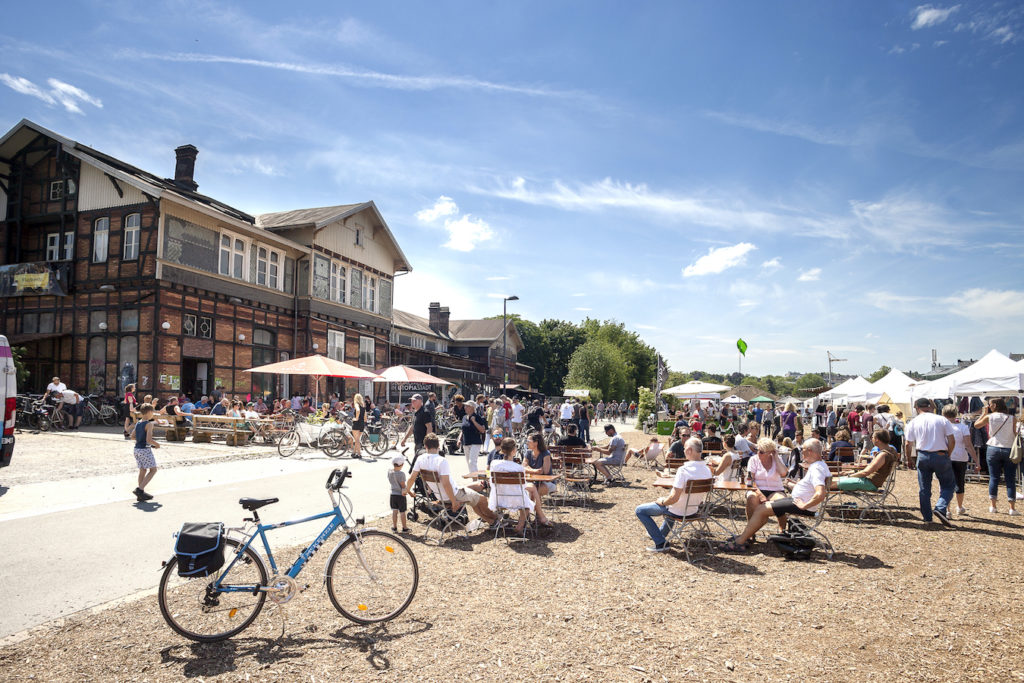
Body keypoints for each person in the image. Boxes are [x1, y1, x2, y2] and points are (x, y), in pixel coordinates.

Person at [723, 438, 830, 552]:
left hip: (800, 504)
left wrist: (805, 505)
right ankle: (747, 536)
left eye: (802, 449)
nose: (801, 452)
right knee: (757, 504)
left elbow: (820, 494)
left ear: (809, 451)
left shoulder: (816, 468)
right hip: (795, 501)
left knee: (761, 510)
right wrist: (797, 485)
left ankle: (740, 541)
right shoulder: (820, 465)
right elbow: (812, 488)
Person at [634, 437, 712, 552]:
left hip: (678, 511)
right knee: (672, 504)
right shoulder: (707, 470)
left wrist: (662, 501)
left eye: (685, 448)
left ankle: (660, 543)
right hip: (693, 510)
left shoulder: (683, 470)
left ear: (689, 450)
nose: (684, 450)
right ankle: (660, 534)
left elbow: (674, 498)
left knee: (640, 510)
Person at [403, 434, 496, 526]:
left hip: (439, 496)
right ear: (438, 446)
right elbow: (446, 484)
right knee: (482, 499)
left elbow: (412, 478)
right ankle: (497, 519)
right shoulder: (441, 461)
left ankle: (490, 521)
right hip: (452, 495)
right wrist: (454, 501)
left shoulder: (420, 459)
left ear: (425, 446)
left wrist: (407, 490)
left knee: (474, 497)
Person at [905, 398, 957, 526]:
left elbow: (908, 444)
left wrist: (909, 459)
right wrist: (948, 454)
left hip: (922, 455)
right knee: (948, 485)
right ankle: (940, 507)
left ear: (917, 408)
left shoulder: (913, 422)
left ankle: (927, 518)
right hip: (940, 454)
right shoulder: (942, 419)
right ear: (930, 407)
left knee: (924, 489)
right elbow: (952, 440)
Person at [972, 397, 1018, 515]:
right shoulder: (1012, 418)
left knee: (994, 477)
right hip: (1008, 448)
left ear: (994, 405)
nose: (988, 406)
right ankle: (1012, 508)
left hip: (993, 447)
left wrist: (983, 413)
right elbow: (1015, 433)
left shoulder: (989, 417)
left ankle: (993, 506)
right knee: (1010, 478)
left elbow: (976, 425)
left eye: (990, 404)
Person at [488, 437, 533, 536]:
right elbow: (523, 486)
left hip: (499, 499)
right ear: (513, 451)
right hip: (517, 500)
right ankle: (520, 527)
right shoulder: (519, 468)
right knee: (527, 502)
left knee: (527, 496)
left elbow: (491, 482)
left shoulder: (494, 464)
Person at [941, 405, 979, 515]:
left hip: (946, 456)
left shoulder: (941, 427)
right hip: (960, 457)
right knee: (960, 482)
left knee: (945, 483)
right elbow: (968, 445)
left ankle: (947, 509)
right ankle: (959, 506)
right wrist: (976, 461)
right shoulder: (963, 427)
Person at [744, 437, 788, 524]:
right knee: (751, 498)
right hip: (757, 489)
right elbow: (750, 480)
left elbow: (783, 473)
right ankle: (750, 528)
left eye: (761, 452)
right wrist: (760, 495)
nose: (758, 453)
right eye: (757, 450)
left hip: (776, 490)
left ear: (770, 452)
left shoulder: (777, 459)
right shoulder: (753, 459)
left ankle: (782, 529)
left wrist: (776, 457)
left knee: (781, 502)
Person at [523, 432, 555, 527]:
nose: (527, 442)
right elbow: (523, 467)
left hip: (547, 482)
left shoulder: (546, 454)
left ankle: (533, 517)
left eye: (529, 441)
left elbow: (545, 471)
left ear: (536, 443)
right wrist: (535, 471)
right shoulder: (528, 453)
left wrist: (529, 470)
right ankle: (529, 517)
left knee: (534, 491)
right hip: (532, 483)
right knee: (531, 491)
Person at [132, 403, 160, 502]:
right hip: (144, 450)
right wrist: (157, 444)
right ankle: (140, 490)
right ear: (149, 412)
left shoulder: (138, 423)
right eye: (153, 412)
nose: (153, 414)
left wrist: (140, 440)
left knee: (142, 470)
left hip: (137, 449)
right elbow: (149, 439)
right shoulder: (149, 424)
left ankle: (141, 494)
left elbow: (132, 436)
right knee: (153, 470)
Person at [458, 400, 487, 473]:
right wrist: (459, 439)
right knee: (468, 462)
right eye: (465, 406)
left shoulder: (478, 417)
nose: (465, 407)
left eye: (467, 406)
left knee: (472, 462)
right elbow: (463, 429)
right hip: (466, 442)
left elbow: (482, 430)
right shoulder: (464, 417)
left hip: (475, 442)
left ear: (472, 408)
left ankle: (475, 478)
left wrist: (474, 421)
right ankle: (473, 476)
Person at [388, 455, 410, 533]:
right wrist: (409, 492)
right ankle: (404, 528)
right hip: (401, 495)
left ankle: (394, 527)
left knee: (394, 512)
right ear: (402, 464)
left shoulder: (389, 472)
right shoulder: (401, 474)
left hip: (392, 494)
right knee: (402, 512)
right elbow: (403, 486)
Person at [350, 393, 366, 458]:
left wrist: (356, 418)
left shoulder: (356, 404)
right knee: (358, 439)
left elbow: (358, 410)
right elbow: (365, 415)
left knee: (356, 440)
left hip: (357, 423)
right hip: (362, 423)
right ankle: (354, 452)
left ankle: (359, 454)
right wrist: (364, 421)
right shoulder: (363, 405)